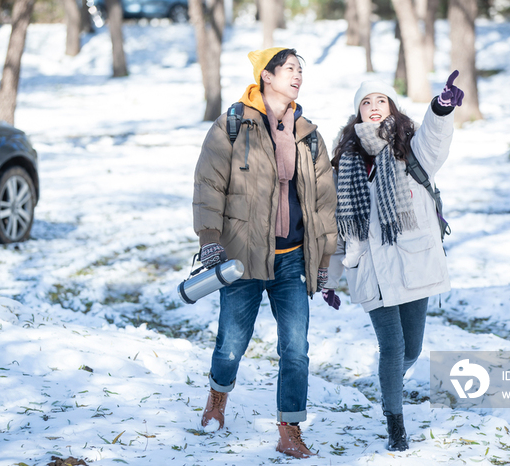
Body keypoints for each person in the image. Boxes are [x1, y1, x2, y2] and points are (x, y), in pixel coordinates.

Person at [192, 47, 338, 459]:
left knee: (295, 348)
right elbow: (208, 185)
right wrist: (209, 239)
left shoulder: (308, 134)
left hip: (292, 258)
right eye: (290, 69)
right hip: (242, 256)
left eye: (300, 70)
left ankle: (289, 428)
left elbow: (324, 203)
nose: (297, 76)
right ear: (267, 77)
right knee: (231, 344)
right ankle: (217, 400)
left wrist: (324, 258)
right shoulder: (232, 126)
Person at [323, 71, 464, 452]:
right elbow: (338, 228)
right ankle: (395, 425)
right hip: (371, 272)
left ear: (391, 107)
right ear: (357, 114)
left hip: (413, 266)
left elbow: (436, 139)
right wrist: (329, 279)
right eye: (365, 103)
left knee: (412, 349)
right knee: (393, 346)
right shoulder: (345, 164)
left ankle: (390, 383)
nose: (372, 108)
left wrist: (441, 108)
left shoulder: (410, 149)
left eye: (379, 101)